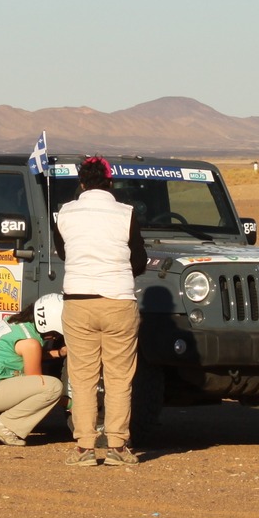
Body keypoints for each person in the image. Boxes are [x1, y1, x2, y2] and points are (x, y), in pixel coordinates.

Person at [54, 156, 148, 465]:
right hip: (118, 300)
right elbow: (139, 261)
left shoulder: (65, 213)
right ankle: (118, 446)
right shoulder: (126, 213)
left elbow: (63, 252)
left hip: (78, 301)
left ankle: (84, 447)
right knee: (119, 377)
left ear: (81, 182)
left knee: (82, 378)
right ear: (110, 182)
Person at [0, 295, 66, 447]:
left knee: (33, 384)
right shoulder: (30, 343)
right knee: (53, 387)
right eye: (56, 334)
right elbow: (38, 386)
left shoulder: (16, 322)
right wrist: (69, 403)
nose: (54, 338)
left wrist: (58, 353)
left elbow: (26, 354)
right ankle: (4, 426)